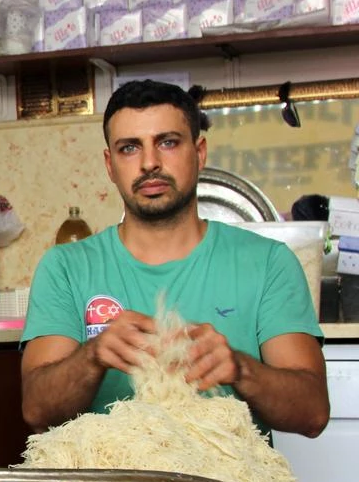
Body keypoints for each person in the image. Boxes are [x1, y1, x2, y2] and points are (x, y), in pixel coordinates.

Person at [21, 79, 328, 438]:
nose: (150, 163)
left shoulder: (268, 263)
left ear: (199, 152)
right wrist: (93, 356)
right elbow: (36, 410)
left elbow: (313, 414)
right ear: (110, 164)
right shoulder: (66, 267)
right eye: (129, 148)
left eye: (168, 142)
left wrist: (241, 369)